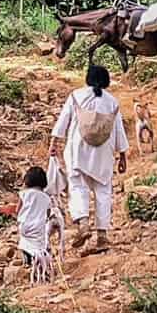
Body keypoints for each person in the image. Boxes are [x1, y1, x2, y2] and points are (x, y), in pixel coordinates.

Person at [48, 63, 127, 254]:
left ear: (88, 78)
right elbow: (118, 130)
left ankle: (83, 222)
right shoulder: (112, 102)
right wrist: (122, 155)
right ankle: (102, 235)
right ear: (106, 80)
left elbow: (63, 121)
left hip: (78, 150)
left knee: (77, 187)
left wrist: (54, 142)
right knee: (103, 191)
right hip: (104, 153)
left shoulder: (76, 95)